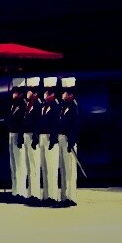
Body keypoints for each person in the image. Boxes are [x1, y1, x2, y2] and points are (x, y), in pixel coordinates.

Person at [38, 77, 62, 205]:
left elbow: (57, 123)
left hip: (50, 138)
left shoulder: (56, 106)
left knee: (52, 168)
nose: (44, 94)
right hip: (42, 137)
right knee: (44, 168)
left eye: (46, 91)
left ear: (51, 93)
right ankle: (46, 195)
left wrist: (53, 137)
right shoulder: (43, 105)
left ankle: (52, 196)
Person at [58, 77, 81, 206]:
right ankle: (64, 196)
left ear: (70, 94)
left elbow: (75, 125)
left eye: (65, 92)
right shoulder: (63, 106)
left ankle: (70, 198)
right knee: (63, 169)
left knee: (69, 170)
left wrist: (71, 140)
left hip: (68, 140)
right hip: (61, 139)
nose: (63, 94)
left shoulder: (73, 106)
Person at [23, 77, 43, 201]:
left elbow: (38, 122)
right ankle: (30, 193)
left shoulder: (38, 104)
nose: (27, 92)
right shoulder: (28, 104)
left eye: (29, 90)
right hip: (26, 135)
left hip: (33, 136)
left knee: (34, 166)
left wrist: (35, 137)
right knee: (28, 166)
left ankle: (35, 194)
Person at [7, 78, 27, 199]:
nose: (14, 93)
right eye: (13, 91)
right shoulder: (12, 104)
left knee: (20, 164)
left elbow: (23, 123)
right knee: (13, 164)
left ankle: (21, 191)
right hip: (11, 134)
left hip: (19, 135)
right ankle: (15, 190)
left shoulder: (24, 105)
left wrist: (21, 137)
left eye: (16, 91)